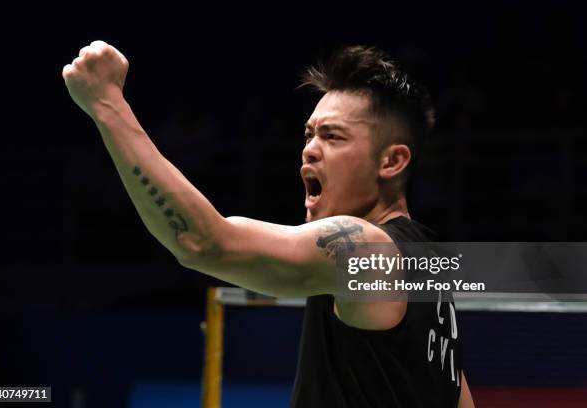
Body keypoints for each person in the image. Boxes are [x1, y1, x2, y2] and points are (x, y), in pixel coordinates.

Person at [62, 40, 475, 407]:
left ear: (392, 161)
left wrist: (108, 106)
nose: (309, 150)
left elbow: (203, 242)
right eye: (308, 134)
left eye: (332, 137)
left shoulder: (365, 249)